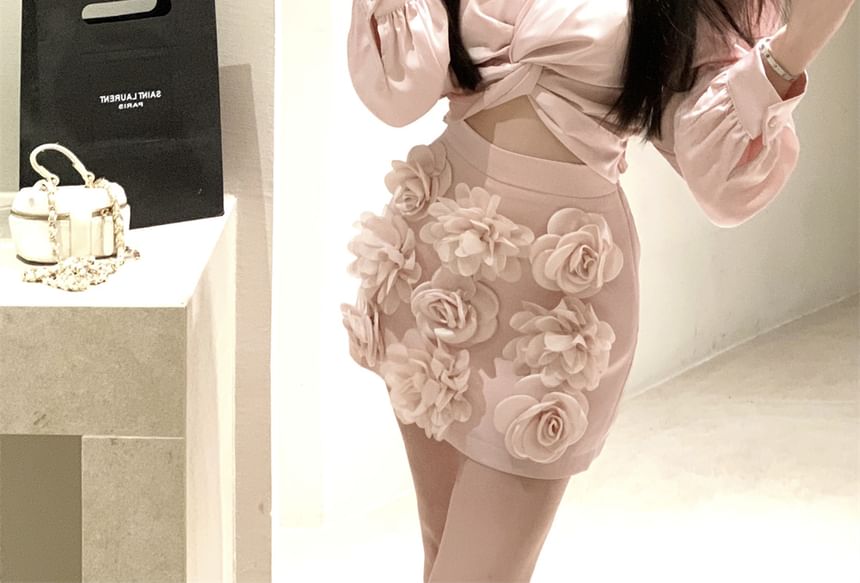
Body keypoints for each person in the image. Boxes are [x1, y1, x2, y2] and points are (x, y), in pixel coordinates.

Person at [340, 1, 855, 581]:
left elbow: (720, 180)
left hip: (558, 303)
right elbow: (400, 92)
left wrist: (792, 51)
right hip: (437, 262)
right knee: (441, 550)